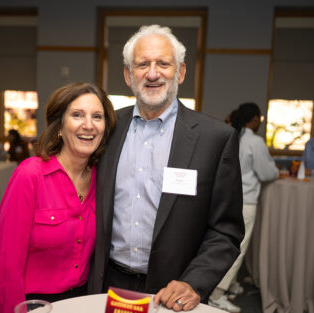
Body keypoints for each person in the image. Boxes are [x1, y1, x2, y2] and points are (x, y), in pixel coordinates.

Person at [88, 25, 244, 312]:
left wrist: (194, 282)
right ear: (127, 75)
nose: (152, 73)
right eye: (142, 64)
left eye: (163, 63)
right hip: (107, 284)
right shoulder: (106, 128)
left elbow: (226, 231)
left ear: (181, 72)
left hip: (173, 291)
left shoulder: (215, 138)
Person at [0, 82, 115, 313]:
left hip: (80, 302)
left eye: (97, 117)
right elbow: (8, 267)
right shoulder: (31, 175)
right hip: (31, 304)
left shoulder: (104, 181)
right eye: (77, 115)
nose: (88, 125)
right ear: (59, 126)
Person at [208, 102, 279, 313]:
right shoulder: (254, 142)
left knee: (222, 244)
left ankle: (227, 286)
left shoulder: (230, 135)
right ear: (254, 119)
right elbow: (267, 173)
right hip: (246, 201)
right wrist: (276, 171)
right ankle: (217, 294)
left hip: (223, 199)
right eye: (260, 119)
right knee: (237, 249)